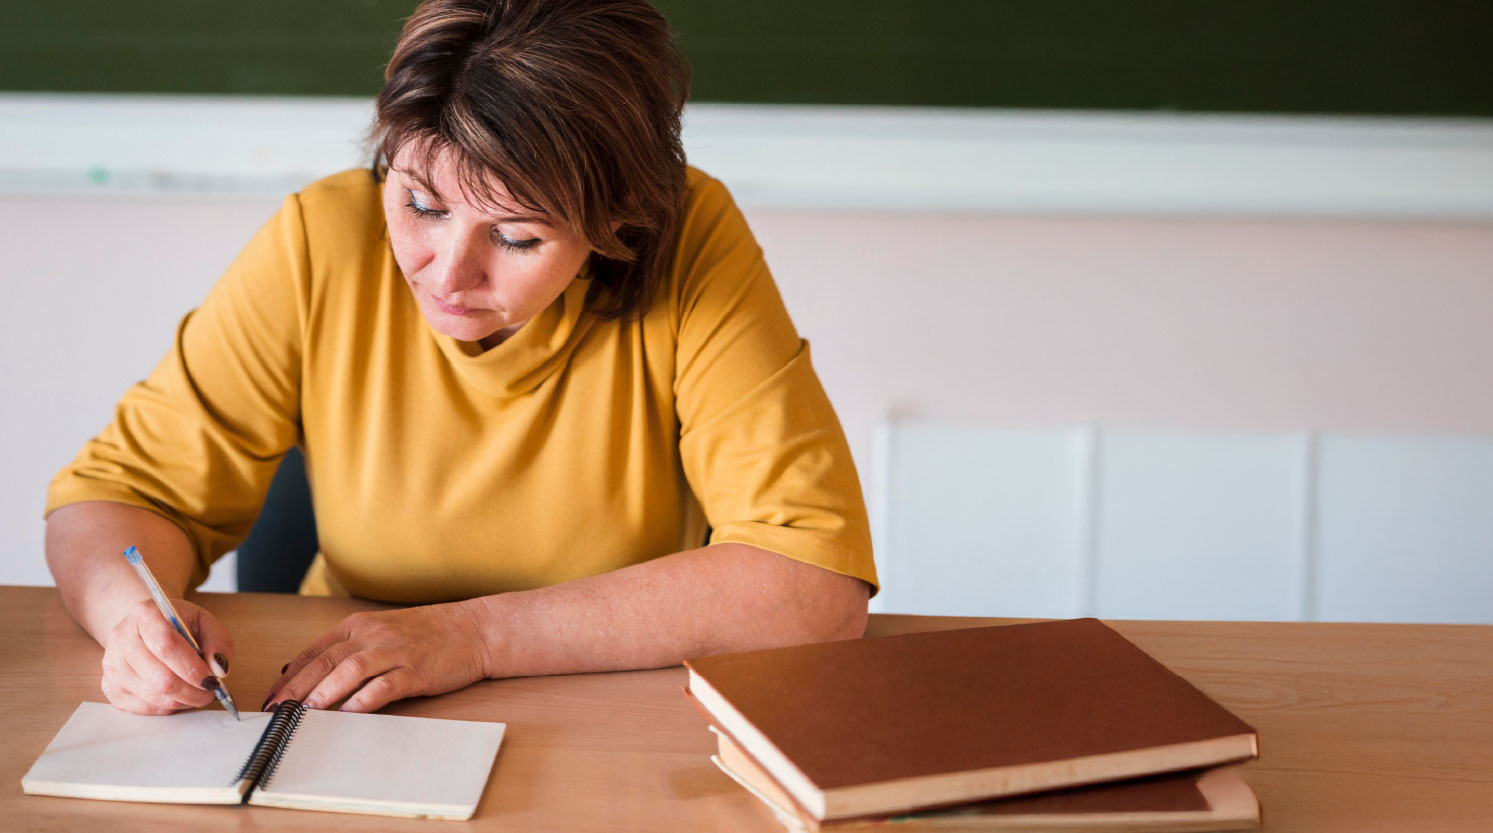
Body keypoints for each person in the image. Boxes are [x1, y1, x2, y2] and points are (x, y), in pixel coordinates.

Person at [45, 0, 876, 717]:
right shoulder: (321, 238)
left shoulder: (690, 242)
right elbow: (116, 498)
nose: (445, 273)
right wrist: (133, 621)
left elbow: (809, 583)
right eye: (420, 203)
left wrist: (472, 634)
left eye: (515, 235)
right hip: (335, 705)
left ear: (619, 216)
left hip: (607, 713)